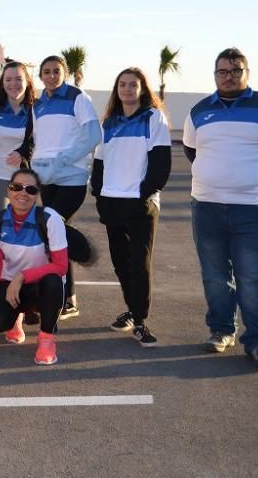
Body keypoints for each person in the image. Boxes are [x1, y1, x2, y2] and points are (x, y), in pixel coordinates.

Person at [183, 47, 258, 370]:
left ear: (247, 73)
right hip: (207, 207)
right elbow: (192, 151)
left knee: (253, 278)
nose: (229, 76)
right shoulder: (198, 111)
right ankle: (221, 331)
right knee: (215, 276)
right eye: (223, 71)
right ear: (215, 74)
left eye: (236, 71)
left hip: (255, 209)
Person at [91, 68, 172, 347]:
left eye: (132, 84)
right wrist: (100, 196)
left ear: (141, 88)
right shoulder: (108, 123)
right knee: (121, 265)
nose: (127, 89)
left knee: (139, 264)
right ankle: (132, 310)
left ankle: (140, 320)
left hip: (141, 205)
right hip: (112, 202)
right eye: (122, 84)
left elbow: (161, 162)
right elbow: (99, 164)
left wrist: (145, 194)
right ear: (117, 90)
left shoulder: (153, 118)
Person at [0, 168, 68, 365]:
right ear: (8, 190)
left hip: (39, 286)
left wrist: (22, 276)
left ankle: (46, 339)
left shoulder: (50, 219)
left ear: (37, 194)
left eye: (30, 189)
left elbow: (61, 266)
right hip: (10, 287)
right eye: (17, 187)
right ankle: (16, 317)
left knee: (54, 283)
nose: (23, 193)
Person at [31, 55, 101, 319]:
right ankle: (68, 298)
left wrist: (63, 160)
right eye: (46, 71)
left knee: (52, 230)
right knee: (54, 235)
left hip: (71, 178)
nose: (51, 76)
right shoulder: (38, 104)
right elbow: (41, 142)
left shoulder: (78, 97)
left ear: (65, 73)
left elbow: (94, 135)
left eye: (56, 71)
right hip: (46, 180)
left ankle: (83, 256)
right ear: (40, 76)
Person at [0, 61, 36, 214]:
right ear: (2, 83)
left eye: (18, 79)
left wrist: (23, 152)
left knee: (25, 227)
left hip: (25, 179)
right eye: (8, 79)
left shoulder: (36, 110)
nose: (13, 84)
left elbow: (39, 140)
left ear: (27, 81)